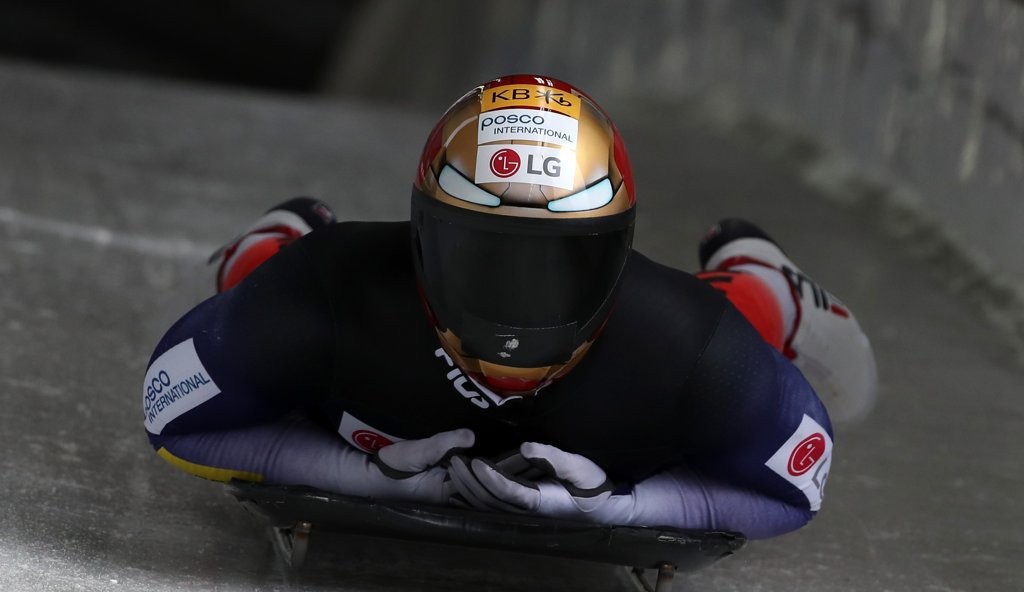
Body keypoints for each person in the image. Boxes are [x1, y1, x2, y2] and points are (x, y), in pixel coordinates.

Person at [142, 75, 877, 540]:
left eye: (561, 262)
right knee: (261, 275)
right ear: (424, 240)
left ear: (613, 251)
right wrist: (349, 471)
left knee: (766, 331)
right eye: (485, 255)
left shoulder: (696, 348)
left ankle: (757, 278)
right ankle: (281, 238)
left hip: (683, 333)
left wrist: (626, 507)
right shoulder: (325, 293)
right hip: (330, 286)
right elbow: (166, 412)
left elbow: (797, 488)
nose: (519, 309)